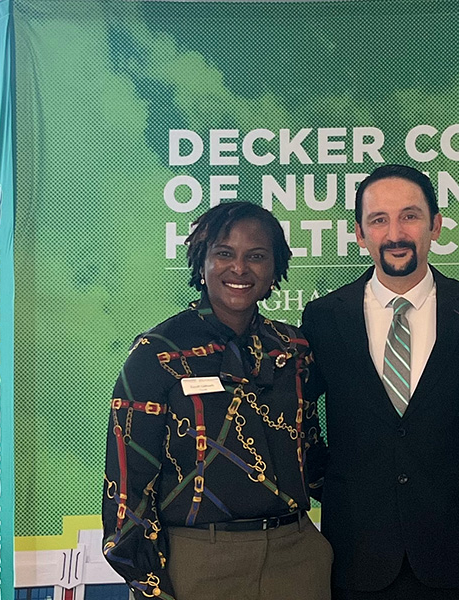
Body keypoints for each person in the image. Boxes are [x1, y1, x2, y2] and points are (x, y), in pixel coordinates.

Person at [101, 202, 330, 600]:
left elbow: (312, 456)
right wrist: (149, 585)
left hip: (297, 559)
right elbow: (128, 488)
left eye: (256, 256)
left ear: (276, 269)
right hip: (198, 563)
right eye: (224, 253)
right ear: (201, 262)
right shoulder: (158, 354)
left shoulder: (294, 349)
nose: (239, 269)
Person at [301, 164, 459, 600]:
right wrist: (328, 479)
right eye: (379, 220)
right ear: (359, 233)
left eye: (410, 216)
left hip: (453, 554)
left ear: (436, 225)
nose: (395, 233)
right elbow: (296, 414)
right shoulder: (323, 319)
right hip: (356, 554)